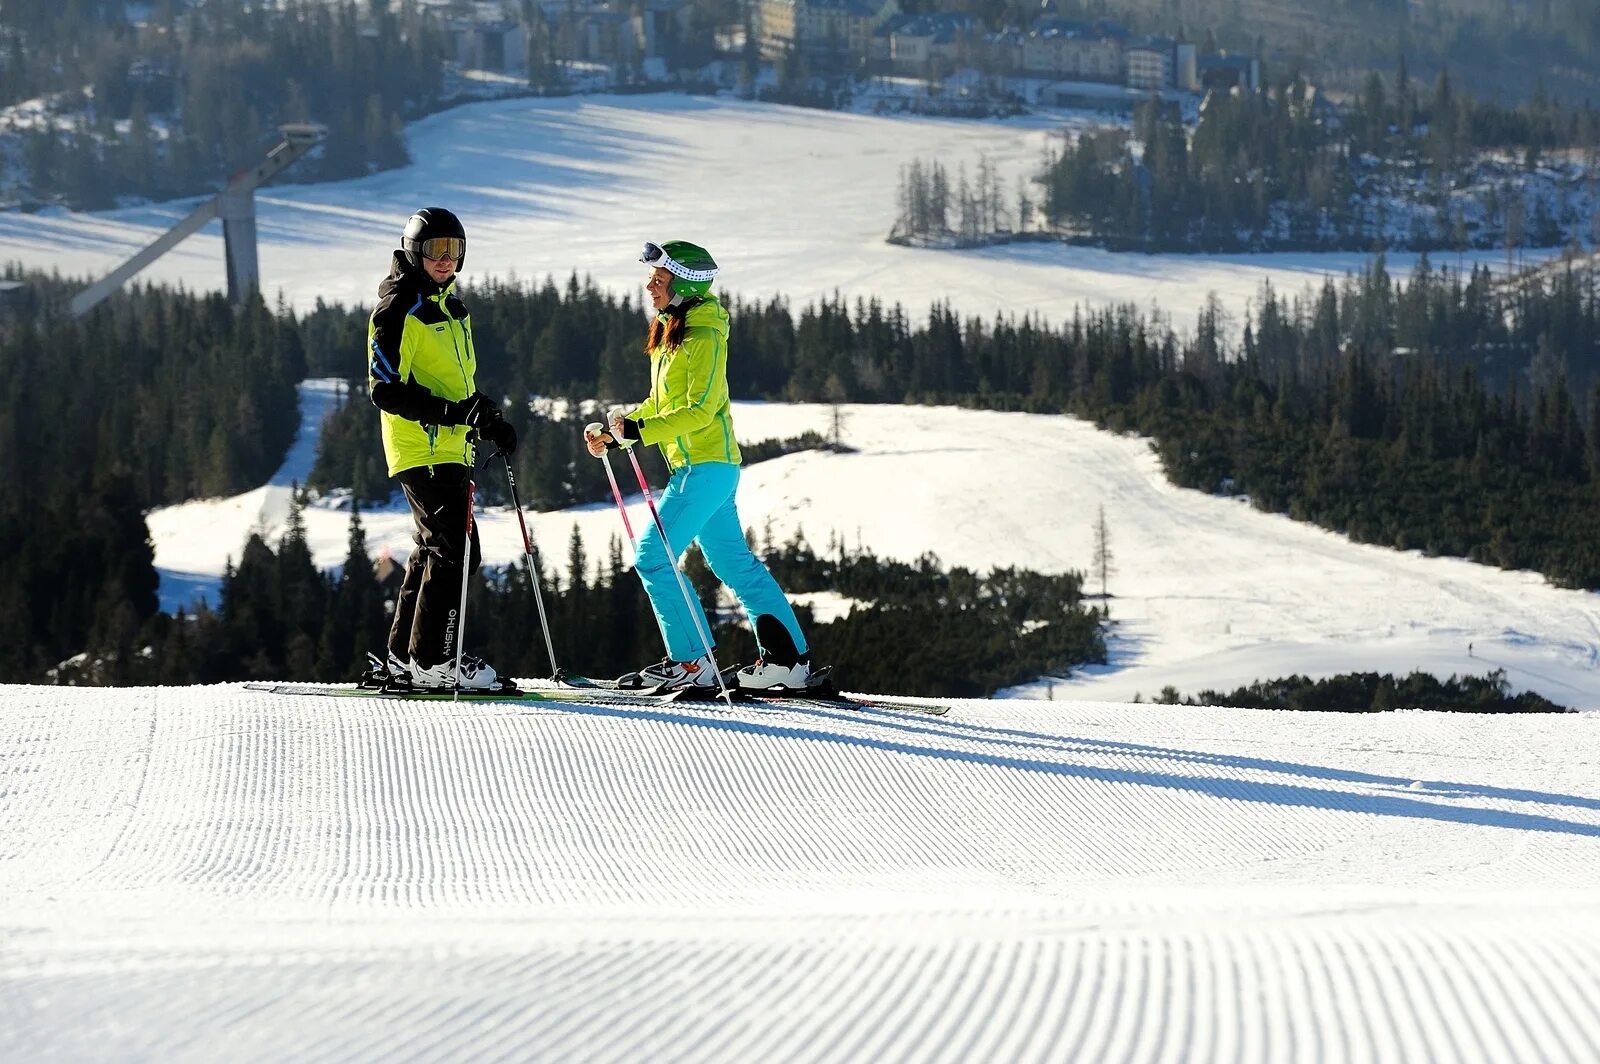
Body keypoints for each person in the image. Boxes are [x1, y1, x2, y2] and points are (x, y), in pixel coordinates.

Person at [585, 240, 812, 691]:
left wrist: (638, 432)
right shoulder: (674, 331)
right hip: (706, 467)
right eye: (650, 277)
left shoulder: (703, 335)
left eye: (659, 279)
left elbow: (701, 410)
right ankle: (788, 664)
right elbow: (661, 403)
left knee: (653, 557)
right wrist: (621, 429)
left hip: (704, 467)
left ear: (684, 283)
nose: (650, 286)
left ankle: (693, 663)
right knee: (733, 564)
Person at [367, 207, 517, 690]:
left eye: (454, 251)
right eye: (435, 250)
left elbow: (456, 385)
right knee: (455, 549)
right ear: (415, 252)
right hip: (421, 445)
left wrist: (486, 415)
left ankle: (402, 657)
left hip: (452, 446)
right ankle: (434, 661)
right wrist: (457, 415)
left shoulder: (453, 309)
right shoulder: (398, 309)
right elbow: (384, 388)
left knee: (439, 548)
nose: (445, 260)